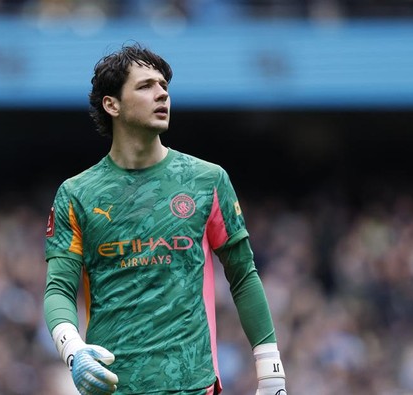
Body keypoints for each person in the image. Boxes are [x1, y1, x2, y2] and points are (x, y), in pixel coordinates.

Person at [43, 42, 287, 395]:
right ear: (112, 105)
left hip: (194, 386)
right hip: (113, 387)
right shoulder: (76, 194)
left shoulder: (208, 180)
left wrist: (271, 372)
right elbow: (59, 289)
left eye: (164, 87)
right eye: (145, 86)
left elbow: (243, 276)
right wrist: (73, 349)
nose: (162, 95)